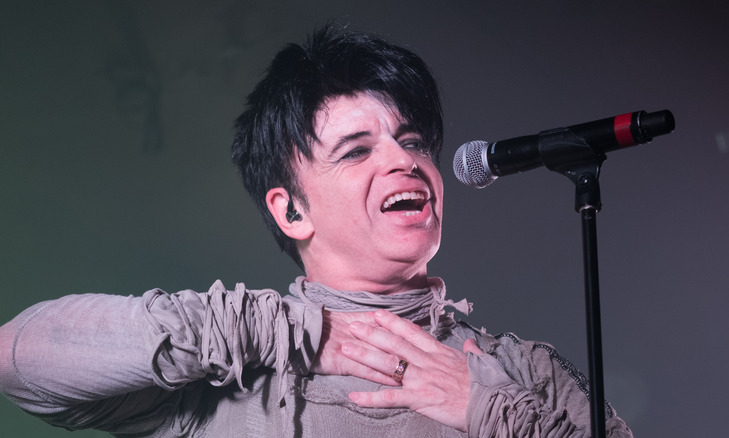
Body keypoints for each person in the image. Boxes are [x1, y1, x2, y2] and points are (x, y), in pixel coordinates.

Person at [0, 26, 633, 437]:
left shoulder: (520, 372)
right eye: (356, 151)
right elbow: (18, 359)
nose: (405, 160)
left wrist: (488, 410)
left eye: (411, 141)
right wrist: (290, 332)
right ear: (291, 211)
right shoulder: (231, 371)